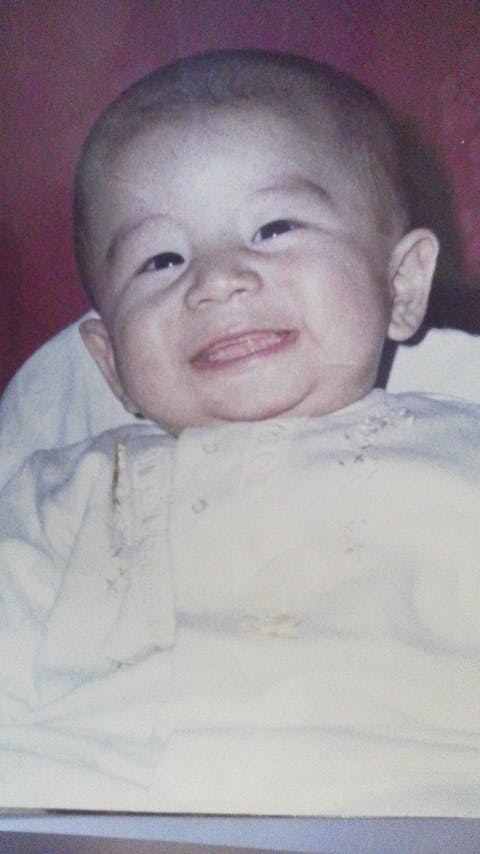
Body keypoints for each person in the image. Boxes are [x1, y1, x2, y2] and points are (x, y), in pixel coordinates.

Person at [0, 49, 479, 814]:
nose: (217, 278)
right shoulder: (53, 499)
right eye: (161, 260)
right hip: (95, 810)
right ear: (111, 362)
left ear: (400, 286)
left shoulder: (461, 459)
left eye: (273, 227)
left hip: (412, 809)